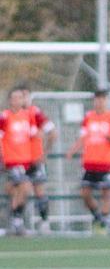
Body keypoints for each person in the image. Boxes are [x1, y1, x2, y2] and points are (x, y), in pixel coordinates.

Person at [65, 89, 110, 234]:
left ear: (107, 101)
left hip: (106, 163)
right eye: (97, 99)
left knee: (106, 193)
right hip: (90, 163)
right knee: (85, 193)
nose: (99, 102)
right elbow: (83, 137)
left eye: (102, 99)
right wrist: (73, 150)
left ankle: (103, 223)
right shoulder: (88, 117)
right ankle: (97, 215)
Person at [0, 86, 35, 235]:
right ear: (9, 101)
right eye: (14, 98)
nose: (17, 100)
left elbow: (34, 137)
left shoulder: (28, 116)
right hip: (11, 161)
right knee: (25, 188)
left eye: (20, 97)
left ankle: (13, 221)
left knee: (14, 191)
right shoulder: (5, 116)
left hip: (27, 161)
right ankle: (16, 220)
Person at [23, 88, 57, 233]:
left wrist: (45, 153)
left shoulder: (35, 113)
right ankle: (17, 222)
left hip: (35, 161)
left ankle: (44, 221)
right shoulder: (9, 115)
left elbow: (53, 133)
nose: (23, 99)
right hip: (17, 161)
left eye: (25, 95)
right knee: (17, 190)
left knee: (39, 191)